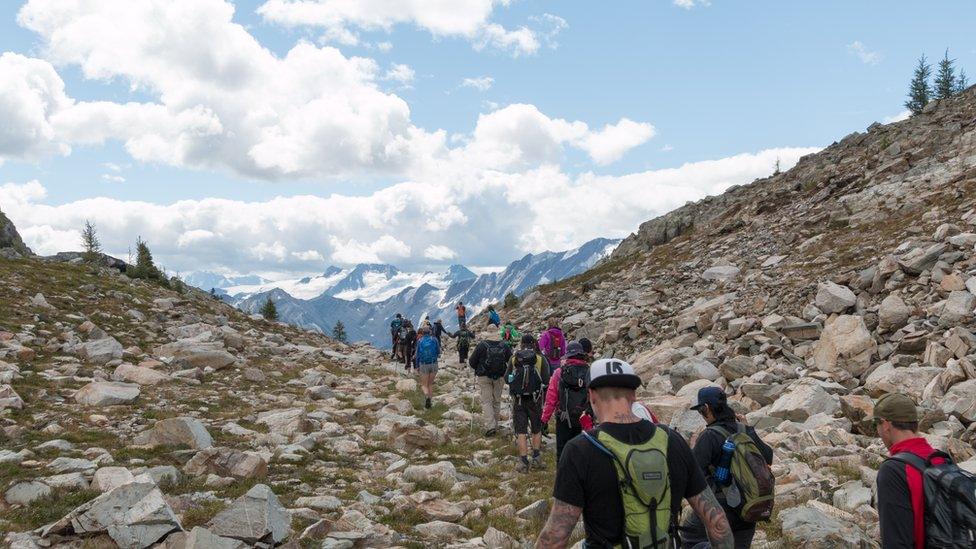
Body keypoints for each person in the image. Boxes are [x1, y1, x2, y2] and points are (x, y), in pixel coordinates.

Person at [536, 359, 734, 549]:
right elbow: (718, 523)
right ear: (634, 395)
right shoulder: (672, 440)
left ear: (591, 395)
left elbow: (555, 538)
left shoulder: (580, 450)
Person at [681, 387, 774, 548]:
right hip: (748, 507)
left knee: (689, 538)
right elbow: (768, 457)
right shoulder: (744, 429)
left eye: (700, 411)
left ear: (707, 409)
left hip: (720, 508)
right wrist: (750, 431)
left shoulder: (709, 435)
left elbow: (693, 474)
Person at [874, 393, 946, 549]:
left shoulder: (894, 470)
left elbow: (896, 541)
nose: (878, 431)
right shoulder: (942, 460)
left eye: (876, 424)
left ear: (886, 424)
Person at [506, 334, 551, 472]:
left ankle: (524, 461)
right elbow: (546, 379)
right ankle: (536, 457)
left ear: (521, 343)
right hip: (535, 399)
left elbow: (507, 378)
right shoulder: (540, 358)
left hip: (519, 400)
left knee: (521, 430)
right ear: (534, 343)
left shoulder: (514, 358)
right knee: (536, 428)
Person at [541, 341, 592, 461]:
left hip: (564, 417)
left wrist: (544, 419)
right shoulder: (590, 372)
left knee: (562, 451)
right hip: (585, 417)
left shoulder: (560, 373)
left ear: (567, 355)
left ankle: (562, 477)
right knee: (582, 451)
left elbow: (551, 399)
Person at [468, 335, 513, 436]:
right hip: (500, 376)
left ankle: (490, 426)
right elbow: (511, 360)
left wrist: (478, 367)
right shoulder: (504, 345)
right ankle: (495, 425)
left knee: (487, 401)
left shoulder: (481, 345)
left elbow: (472, 362)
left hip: (484, 377)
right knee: (496, 401)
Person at [414, 328, 440, 409]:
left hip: (424, 364)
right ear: (430, 332)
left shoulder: (420, 341)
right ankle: (430, 402)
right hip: (434, 364)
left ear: (422, 333)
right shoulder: (434, 339)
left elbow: (417, 354)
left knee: (424, 385)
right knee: (430, 384)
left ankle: (427, 396)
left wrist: (417, 366)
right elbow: (438, 351)